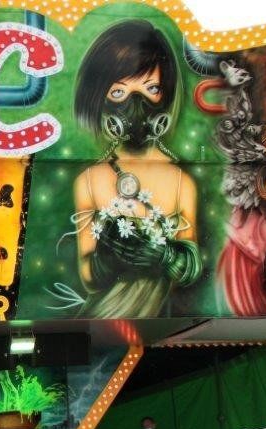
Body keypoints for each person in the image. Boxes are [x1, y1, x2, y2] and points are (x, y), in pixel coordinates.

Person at [70, 20, 201, 318]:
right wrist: (107, 260)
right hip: (102, 317)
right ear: (99, 97)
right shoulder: (89, 181)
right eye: (119, 92)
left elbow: (191, 269)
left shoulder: (181, 181)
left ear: (166, 94)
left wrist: (165, 257)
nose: (136, 103)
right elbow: (88, 276)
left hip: (160, 320)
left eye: (151, 88)